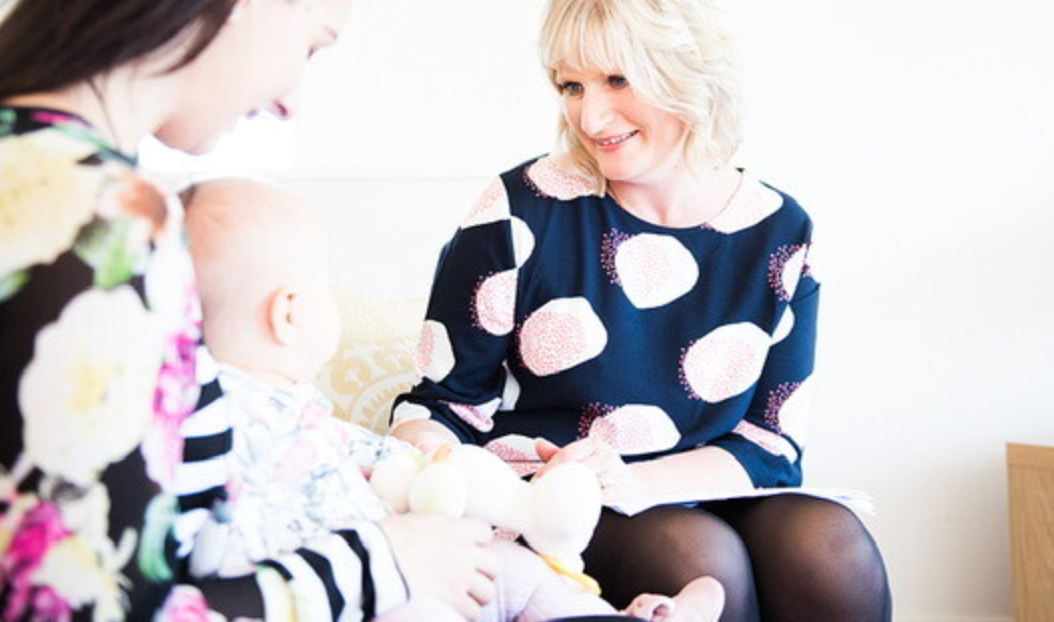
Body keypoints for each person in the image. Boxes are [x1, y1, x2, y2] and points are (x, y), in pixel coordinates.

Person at [0, 0, 502, 622]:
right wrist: (379, 566)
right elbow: (75, 613)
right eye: (312, 44)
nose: (293, 98)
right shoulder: (95, 212)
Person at [390, 0, 892, 622]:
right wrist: (432, 462)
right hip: (554, 502)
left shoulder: (779, 233)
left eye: (618, 80)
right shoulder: (522, 210)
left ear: (687, 70)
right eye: (571, 87)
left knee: (829, 545)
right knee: (697, 558)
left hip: (686, 484)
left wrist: (632, 479)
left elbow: (770, 445)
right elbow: (442, 404)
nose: (590, 118)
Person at [179, 176, 726, 622]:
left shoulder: (233, 408)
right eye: (326, 281)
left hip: (379, 567)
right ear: (291, 313)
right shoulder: (227, 418)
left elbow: (376, 459)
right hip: (360, 590)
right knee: (505, 578)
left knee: (509, 568)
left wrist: (434, 471)